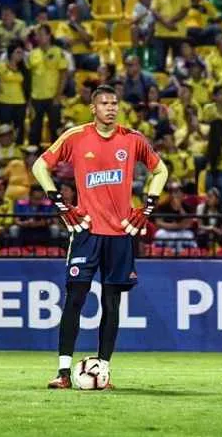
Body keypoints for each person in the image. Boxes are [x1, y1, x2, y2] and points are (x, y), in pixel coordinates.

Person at [32, 84, 169, 390]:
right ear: (93, 108)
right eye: (104, 103)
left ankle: (103, 371)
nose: (110, 107)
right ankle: (63, 372)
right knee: (75, 299)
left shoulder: (132, 139)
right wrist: (58, 202)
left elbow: (162, 171)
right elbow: (40, 165)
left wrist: (147, 207)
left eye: (114, 103)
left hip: (120, 233)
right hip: (86, 231)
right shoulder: (76, 136)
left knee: (111, 303)